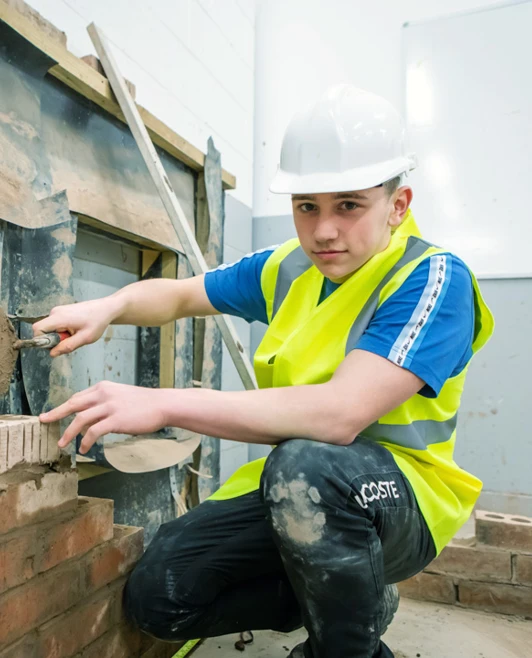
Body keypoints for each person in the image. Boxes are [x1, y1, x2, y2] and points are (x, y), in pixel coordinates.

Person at [37, 85, 494, 658]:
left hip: (401, 502)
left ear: (397, 205)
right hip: (300, 489)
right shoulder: (287, 268)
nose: (324, 229)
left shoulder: (432, 279)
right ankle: (356, 600)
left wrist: (163, 402)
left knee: (308, 463)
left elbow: (339, 415)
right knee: (161, 595)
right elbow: (179, 296)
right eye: (307, 206)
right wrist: (109, 307)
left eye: (348, 205)